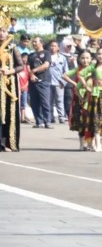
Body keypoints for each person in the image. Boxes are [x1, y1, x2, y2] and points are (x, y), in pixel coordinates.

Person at [0, 13, 23, 152]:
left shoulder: (12, 47)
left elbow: (21, 66)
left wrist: (9, 71)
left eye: (3, 31)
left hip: (8, 85)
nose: (1, 33)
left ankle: (7, 142)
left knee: (8, 114)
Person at [62, 51, 93, 150]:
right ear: (79, 59)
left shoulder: (93, 69)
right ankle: (82, 144)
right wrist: (74, 83)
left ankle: (90, 144)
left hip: (91, 97)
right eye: (83, 58)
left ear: (91, 59)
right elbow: (64, 75)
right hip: (79, 97)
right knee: (81, 122)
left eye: (87, 58)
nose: (85, 60)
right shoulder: (77, 69)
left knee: (91, 121)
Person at [27, 37, 53, 129]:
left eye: (35, 42)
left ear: (41, 43)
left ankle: (47, 122)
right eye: (33, 42)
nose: (33, 43)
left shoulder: (46, 53)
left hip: (43, 81)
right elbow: (27, 66)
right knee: (34, 103)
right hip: (33, 81)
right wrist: (31, 75)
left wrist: (34, 71)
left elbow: (46, 65)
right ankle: (39, 122)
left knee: (45, 102)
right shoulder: (31, 55)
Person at [48, 40, 68, 124]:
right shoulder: (46, 56)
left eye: (54, 46)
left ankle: (61, 117)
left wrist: (63, 82)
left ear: (58, 48)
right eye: (51, 46)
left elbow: (66, 71)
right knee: (49, 101)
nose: (52, 47)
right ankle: (50, 117)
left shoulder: (62, 58)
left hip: (58, 83)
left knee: (59, 101)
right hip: (48, 82)